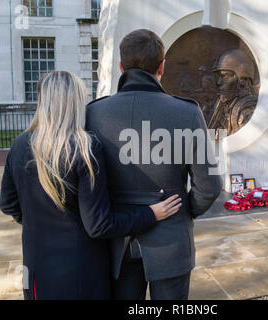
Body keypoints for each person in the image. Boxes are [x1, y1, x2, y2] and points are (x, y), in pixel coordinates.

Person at [0, 71, 182, 300]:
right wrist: (150, 214)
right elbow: (99, 225)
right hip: (80, 272)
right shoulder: (84, 148)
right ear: (75, 103)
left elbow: (8, 204)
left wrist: (44, 225)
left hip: (36, 267)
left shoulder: (20, 144)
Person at [86, 29, 222, 300]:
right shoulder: (187, 111)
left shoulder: (94, 112)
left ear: (121, 66)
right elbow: (210, 185)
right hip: (171, 241)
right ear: (162, 66)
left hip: (116, 243)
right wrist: (184, 212)